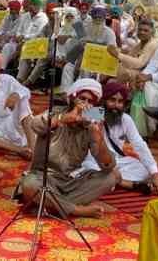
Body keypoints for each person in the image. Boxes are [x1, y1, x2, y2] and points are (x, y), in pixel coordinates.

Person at [18, 78, 117, 219]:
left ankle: (47, 204)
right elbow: (34, 125)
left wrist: (98, 138)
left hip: (70, 181)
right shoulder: (56, 112)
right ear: (72, 98)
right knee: (29, 184)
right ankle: (75, 210)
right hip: (44, 177)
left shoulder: (91, 125)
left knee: (112, 177)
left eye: (91, 102)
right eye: (82, 99)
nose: (86, 105)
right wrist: (63, 119)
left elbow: (107, 165)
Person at [80, 81, 158, 195]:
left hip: (116, 162)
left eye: (120, 102)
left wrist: (155, 174)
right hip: (93, 162)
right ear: (104, 101)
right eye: (112, 100)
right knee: (87, 171)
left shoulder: (125, 119)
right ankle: (127, 184)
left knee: (145, 170)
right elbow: (77, 116)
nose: (116, 105)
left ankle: (112, 181)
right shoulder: (94, 114)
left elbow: (139, 144)